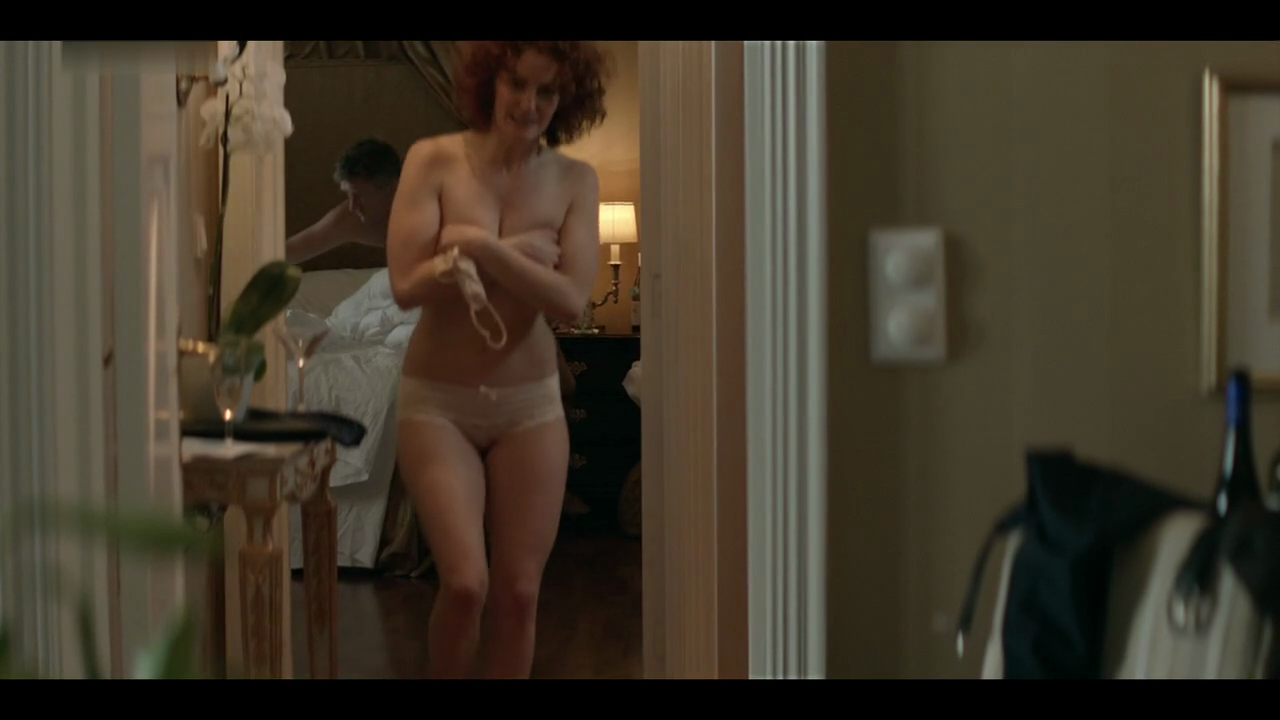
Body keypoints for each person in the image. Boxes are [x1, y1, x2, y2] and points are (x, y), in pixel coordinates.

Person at [386, 41, 610, 679]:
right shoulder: (432, 159)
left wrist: (477, 246)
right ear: (492, 82)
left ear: (567, 99)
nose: (529, 104)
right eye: (518, 84)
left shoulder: (576, 180)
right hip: (438, 405)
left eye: (547, 91)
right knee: (464, 585)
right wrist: (524, 258)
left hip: (530, 408)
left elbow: (570, 300)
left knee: (518, 595)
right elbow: (406, 285)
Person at [285, 138, 402, 264]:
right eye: (349, 195)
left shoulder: (418, 211)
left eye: (360, 196)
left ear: (393, 188)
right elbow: (289, 253)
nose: (353, 206)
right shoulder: (352, 219)